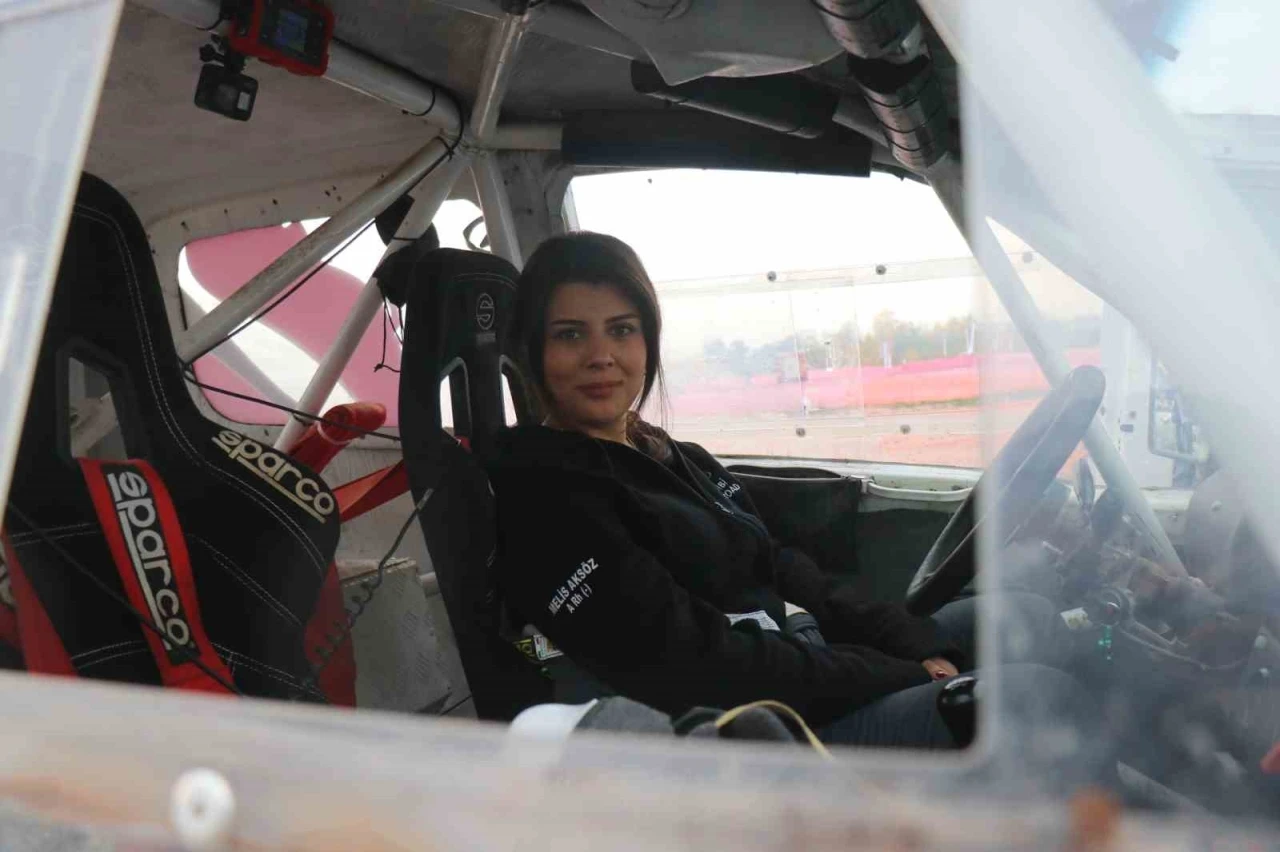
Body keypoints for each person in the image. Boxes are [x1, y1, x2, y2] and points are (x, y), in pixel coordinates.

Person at [489, 231, 1076, 749]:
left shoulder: (669, 455)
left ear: (647, 341)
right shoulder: (549, 502)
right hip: (751, 727)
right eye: (570, 335)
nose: (601, 357)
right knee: (1042, 697)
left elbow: (778, 564)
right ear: (534, 352)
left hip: (800, 657)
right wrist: (899, 672)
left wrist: (906, 640)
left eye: (621, 330)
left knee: (1031, 615)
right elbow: (695, 663)